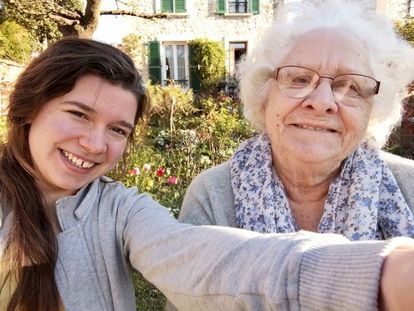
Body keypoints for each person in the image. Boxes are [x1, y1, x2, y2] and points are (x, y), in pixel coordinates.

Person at [0, 38, 414, 311]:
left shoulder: (119, 210)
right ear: (29, 108)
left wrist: (383, 272)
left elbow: (208, 260)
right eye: (77, 114)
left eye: (117, 130)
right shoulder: (215, 189)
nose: (94, 144)